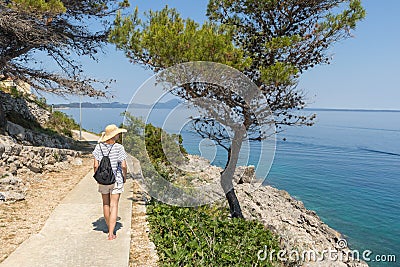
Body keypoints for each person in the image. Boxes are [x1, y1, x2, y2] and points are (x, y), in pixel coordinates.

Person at [93, 124, 127, 240]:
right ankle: (111, 233)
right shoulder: (119, 148)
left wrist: (98, 178)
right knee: (114, 204)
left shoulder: (98, 147)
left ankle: (109, 227)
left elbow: (95, 165)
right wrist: (124, 177)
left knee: (106, 204)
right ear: (114, 135)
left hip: (103, 180)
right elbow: (123, 165)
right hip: (116, 179)